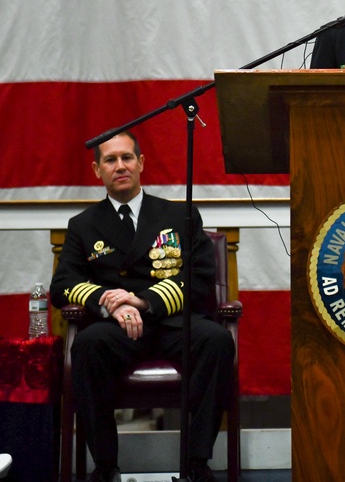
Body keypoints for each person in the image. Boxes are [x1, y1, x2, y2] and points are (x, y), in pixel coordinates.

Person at [51, 131, 234, 482]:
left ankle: (196, 463)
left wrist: (143, 301)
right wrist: (110, 303)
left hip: (172, 322)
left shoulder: (179, 215)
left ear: (141, 163)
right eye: (110, 160)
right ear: (97, 171)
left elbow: (198, 282)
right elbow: (63, 286)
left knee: (217, 341)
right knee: (86, 346)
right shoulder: (83, 225)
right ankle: (105, 466)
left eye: (127, 157)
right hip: (116, 329)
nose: (120, 166)